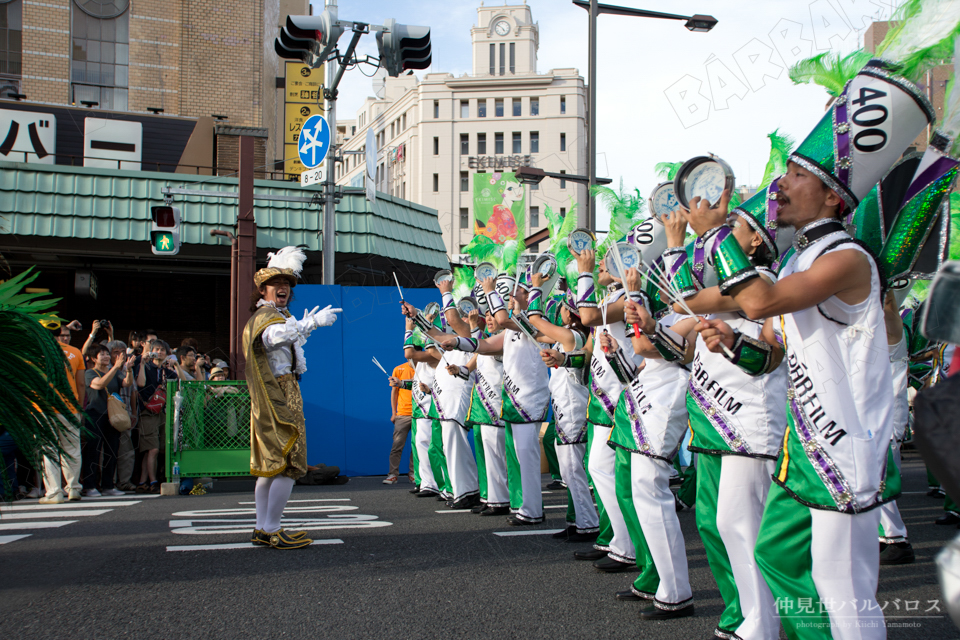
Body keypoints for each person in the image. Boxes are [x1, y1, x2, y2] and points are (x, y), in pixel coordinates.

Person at [690, 176, 894, 637]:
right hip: (801, 446)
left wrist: (716, 233)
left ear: (833, 196)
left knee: (842, 583)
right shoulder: (797, 262)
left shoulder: (848, 257)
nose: (780, 184)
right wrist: (730, 343)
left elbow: (760, 304)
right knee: (776, 554)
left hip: (843, 443)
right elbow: (770, 354)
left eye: (799, 176)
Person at [244, 246, 341, 550]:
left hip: (276, 391)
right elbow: (273, 339)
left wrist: (301, 329)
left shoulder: (275, 316)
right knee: (291, 463)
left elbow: (283, 344)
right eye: (276, 284)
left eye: (286, 284)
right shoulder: (267, 317)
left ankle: (262, 527)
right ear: (264, 289)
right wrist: (310, 324)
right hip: (280, 393)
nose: (283, 288)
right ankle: (272, 528)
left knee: (271, 464)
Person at [39, 320, 86, 504]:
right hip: (69, 407)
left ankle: (54, 492)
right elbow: (81, 383)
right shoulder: (74, 352)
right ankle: (73, 488)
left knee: (49, 450)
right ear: (59, 333)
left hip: (44, 408)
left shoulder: (35, 351)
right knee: (72, 449)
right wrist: (80, 406)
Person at [81, 343, 135, 497]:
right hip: (95, 415)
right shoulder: (90, 373)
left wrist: (128, 369)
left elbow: (127, 383)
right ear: (93, 358)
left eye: (106, 354)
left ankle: (108, 485)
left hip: (113, 417)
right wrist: (115, 367)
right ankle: (89, 485)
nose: (106, 356)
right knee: (93, 450)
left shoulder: (116, 373)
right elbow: (99, 385)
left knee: (112, 450)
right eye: (102, 354)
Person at [135, 339, 178, 493]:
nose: (159, 353)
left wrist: (176, 366)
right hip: (148, 412)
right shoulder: (146, 367)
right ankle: (153, 481)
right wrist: (141, 363)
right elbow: (140, 384)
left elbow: (183, 385)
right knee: (151, 448)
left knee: (156, 449)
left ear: (167, 354)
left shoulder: (169, 372)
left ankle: (143, 481)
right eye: (157, 349)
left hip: (164, 413)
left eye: (162, 350)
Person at [384, 359, 415, 484]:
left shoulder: (424, 368)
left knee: (417, 446)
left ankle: (413, 473)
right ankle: (393, 474)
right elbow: (394, 392)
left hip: (420, 414)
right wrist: (394, 413)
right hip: (402, 414)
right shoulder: (399, 369)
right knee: (397, 445)